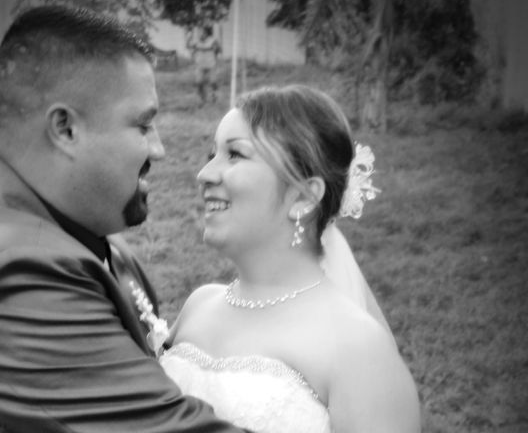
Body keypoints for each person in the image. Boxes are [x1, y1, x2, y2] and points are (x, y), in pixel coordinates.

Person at [0, 6, 250, 433]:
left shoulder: (65, 231)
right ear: (65, 129)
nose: (159, 149)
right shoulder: (13, 276)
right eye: (143, 125)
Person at [160, 85, 421, 432]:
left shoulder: (358, 348)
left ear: (303, 197)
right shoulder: (198, 305)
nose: (205, 174)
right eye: (212, 154)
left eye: (235, 154)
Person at [187, 24, 221, 105]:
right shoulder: (196, 41)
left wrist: (216, 47)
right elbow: (188, 46)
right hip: (200, 65)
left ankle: (214, 95)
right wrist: (188, 38)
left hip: (211, 65)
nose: (200, 34)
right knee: (199, 82)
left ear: (206, 33)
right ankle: (202, 99)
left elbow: (219, 49)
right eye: (199, 33)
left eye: (202, 33)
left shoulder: (212, 40)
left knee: (213, 81)